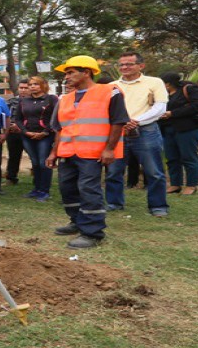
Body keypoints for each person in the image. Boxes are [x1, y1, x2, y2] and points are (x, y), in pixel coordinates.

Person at [46, 55, 129, 249]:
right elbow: (60, 128)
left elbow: (118, 122)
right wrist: (54, 152)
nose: (67, 77)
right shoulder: (65, 98)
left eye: (70, 72)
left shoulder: (110, 92)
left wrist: (109, 149)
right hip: (67, 151)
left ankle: (92, 232)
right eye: (66, 73)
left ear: (86, 72)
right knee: (67, 188)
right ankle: (76, 221)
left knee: (88, 189)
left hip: (93, 152)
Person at [105, 52, 169, 216]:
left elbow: (160, 107)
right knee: (113, 171)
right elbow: (106, 109)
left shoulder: (154, 82)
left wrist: (136, 121)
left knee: (154, 171)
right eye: (121, 64)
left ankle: (158, 206)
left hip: (146, 131)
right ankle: (114, 203)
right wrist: (123, 122)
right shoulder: (111, 86)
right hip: (118, 133)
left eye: (129, 64)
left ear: (141, 66)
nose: (124, 67)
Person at [158, 72, 198, 195]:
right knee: (172, 158)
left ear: (167, 84)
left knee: (188, 157)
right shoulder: (163, 94)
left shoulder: (189, 89)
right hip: (168, 129)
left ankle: (191, 185)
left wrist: (172, 113)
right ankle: (175, 184)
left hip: (189, 129)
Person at [15, 76, 58, 202]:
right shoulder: (23, 100)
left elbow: (55, 118)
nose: (32, 86)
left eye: (36, 84)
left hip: (45, 136)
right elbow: (18, 119)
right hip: (27, 135)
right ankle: (36, 189)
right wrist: (25, 131)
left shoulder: (51, 99)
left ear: (43, 85)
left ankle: (44, 191)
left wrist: (45, 132)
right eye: (30, 84)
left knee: (43, 163)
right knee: (35, 163)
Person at [4, 79, 29, 185]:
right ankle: (11, 177)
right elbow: (5, 116)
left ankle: (38, 177)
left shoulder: (35, 102)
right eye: (21, 88)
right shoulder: (11, 102)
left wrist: (20, 126)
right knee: (13, 156)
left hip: (29, 133)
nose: (23, 90)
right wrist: (9, 126)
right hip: (13, 133)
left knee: (34, 156)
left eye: (26, 88)